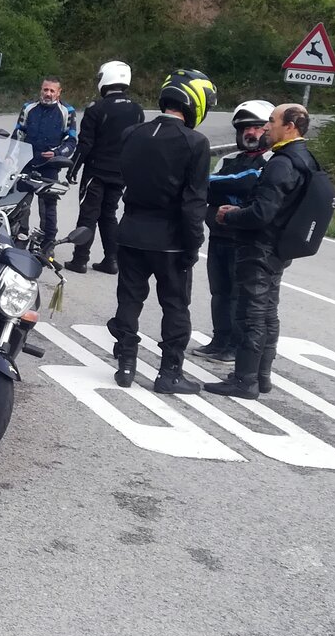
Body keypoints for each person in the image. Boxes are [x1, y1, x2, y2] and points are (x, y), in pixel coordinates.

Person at [106, 69, 215, 395]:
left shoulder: (132, 133)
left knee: (128, 300)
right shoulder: (195, 143)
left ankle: (126, 364)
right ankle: (169, 374)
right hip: (170, 240)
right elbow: (194, 203)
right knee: (175, 306)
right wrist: (194, 243)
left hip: (131, 231)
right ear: (196, 102)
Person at [207, 103, 316, 399]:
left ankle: (244, 380)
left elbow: (262, 213)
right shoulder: (306, 159)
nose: (266, 127)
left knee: (250, 314)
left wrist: (230, 215)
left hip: (260, 246)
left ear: (290, 126)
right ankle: (262, 376)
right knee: (268, 313)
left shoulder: (281, 163)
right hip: (281, 247)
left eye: (271, 121)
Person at [192, 100, 273, 363]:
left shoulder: (270, 161)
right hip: (220, 235)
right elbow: (209, 191)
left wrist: (218, 187)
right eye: (245, 128)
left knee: (241, 295)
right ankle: (220, 339)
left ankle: (236, 345)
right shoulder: (228, 159)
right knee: (220, 292)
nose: (250, 133)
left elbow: (248, 182)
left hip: (247, 239)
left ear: (268, 129)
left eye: (257, 127)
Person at [64, 61, 141, 275]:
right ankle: (112, 260)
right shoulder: (137, 110)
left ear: (106, 78)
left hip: (96, 172)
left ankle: (80, 260)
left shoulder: (96, 108)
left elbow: (85, 144)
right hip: (121, 173)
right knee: (109, 215)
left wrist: (73, 169)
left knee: (88, 214)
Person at [14, 77, 77, 243]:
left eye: (52, 91)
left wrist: (57, 153)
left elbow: (71, 141)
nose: (48, 94)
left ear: (58, 92)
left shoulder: (67, 111)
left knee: (48, 206)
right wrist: (10, 156)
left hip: (50, 166)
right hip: (27, 162)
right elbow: (17, 134)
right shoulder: (28, 108)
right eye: (45, 90)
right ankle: (20, 233)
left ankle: (48, 240)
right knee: (21, 201)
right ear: (41, 90)